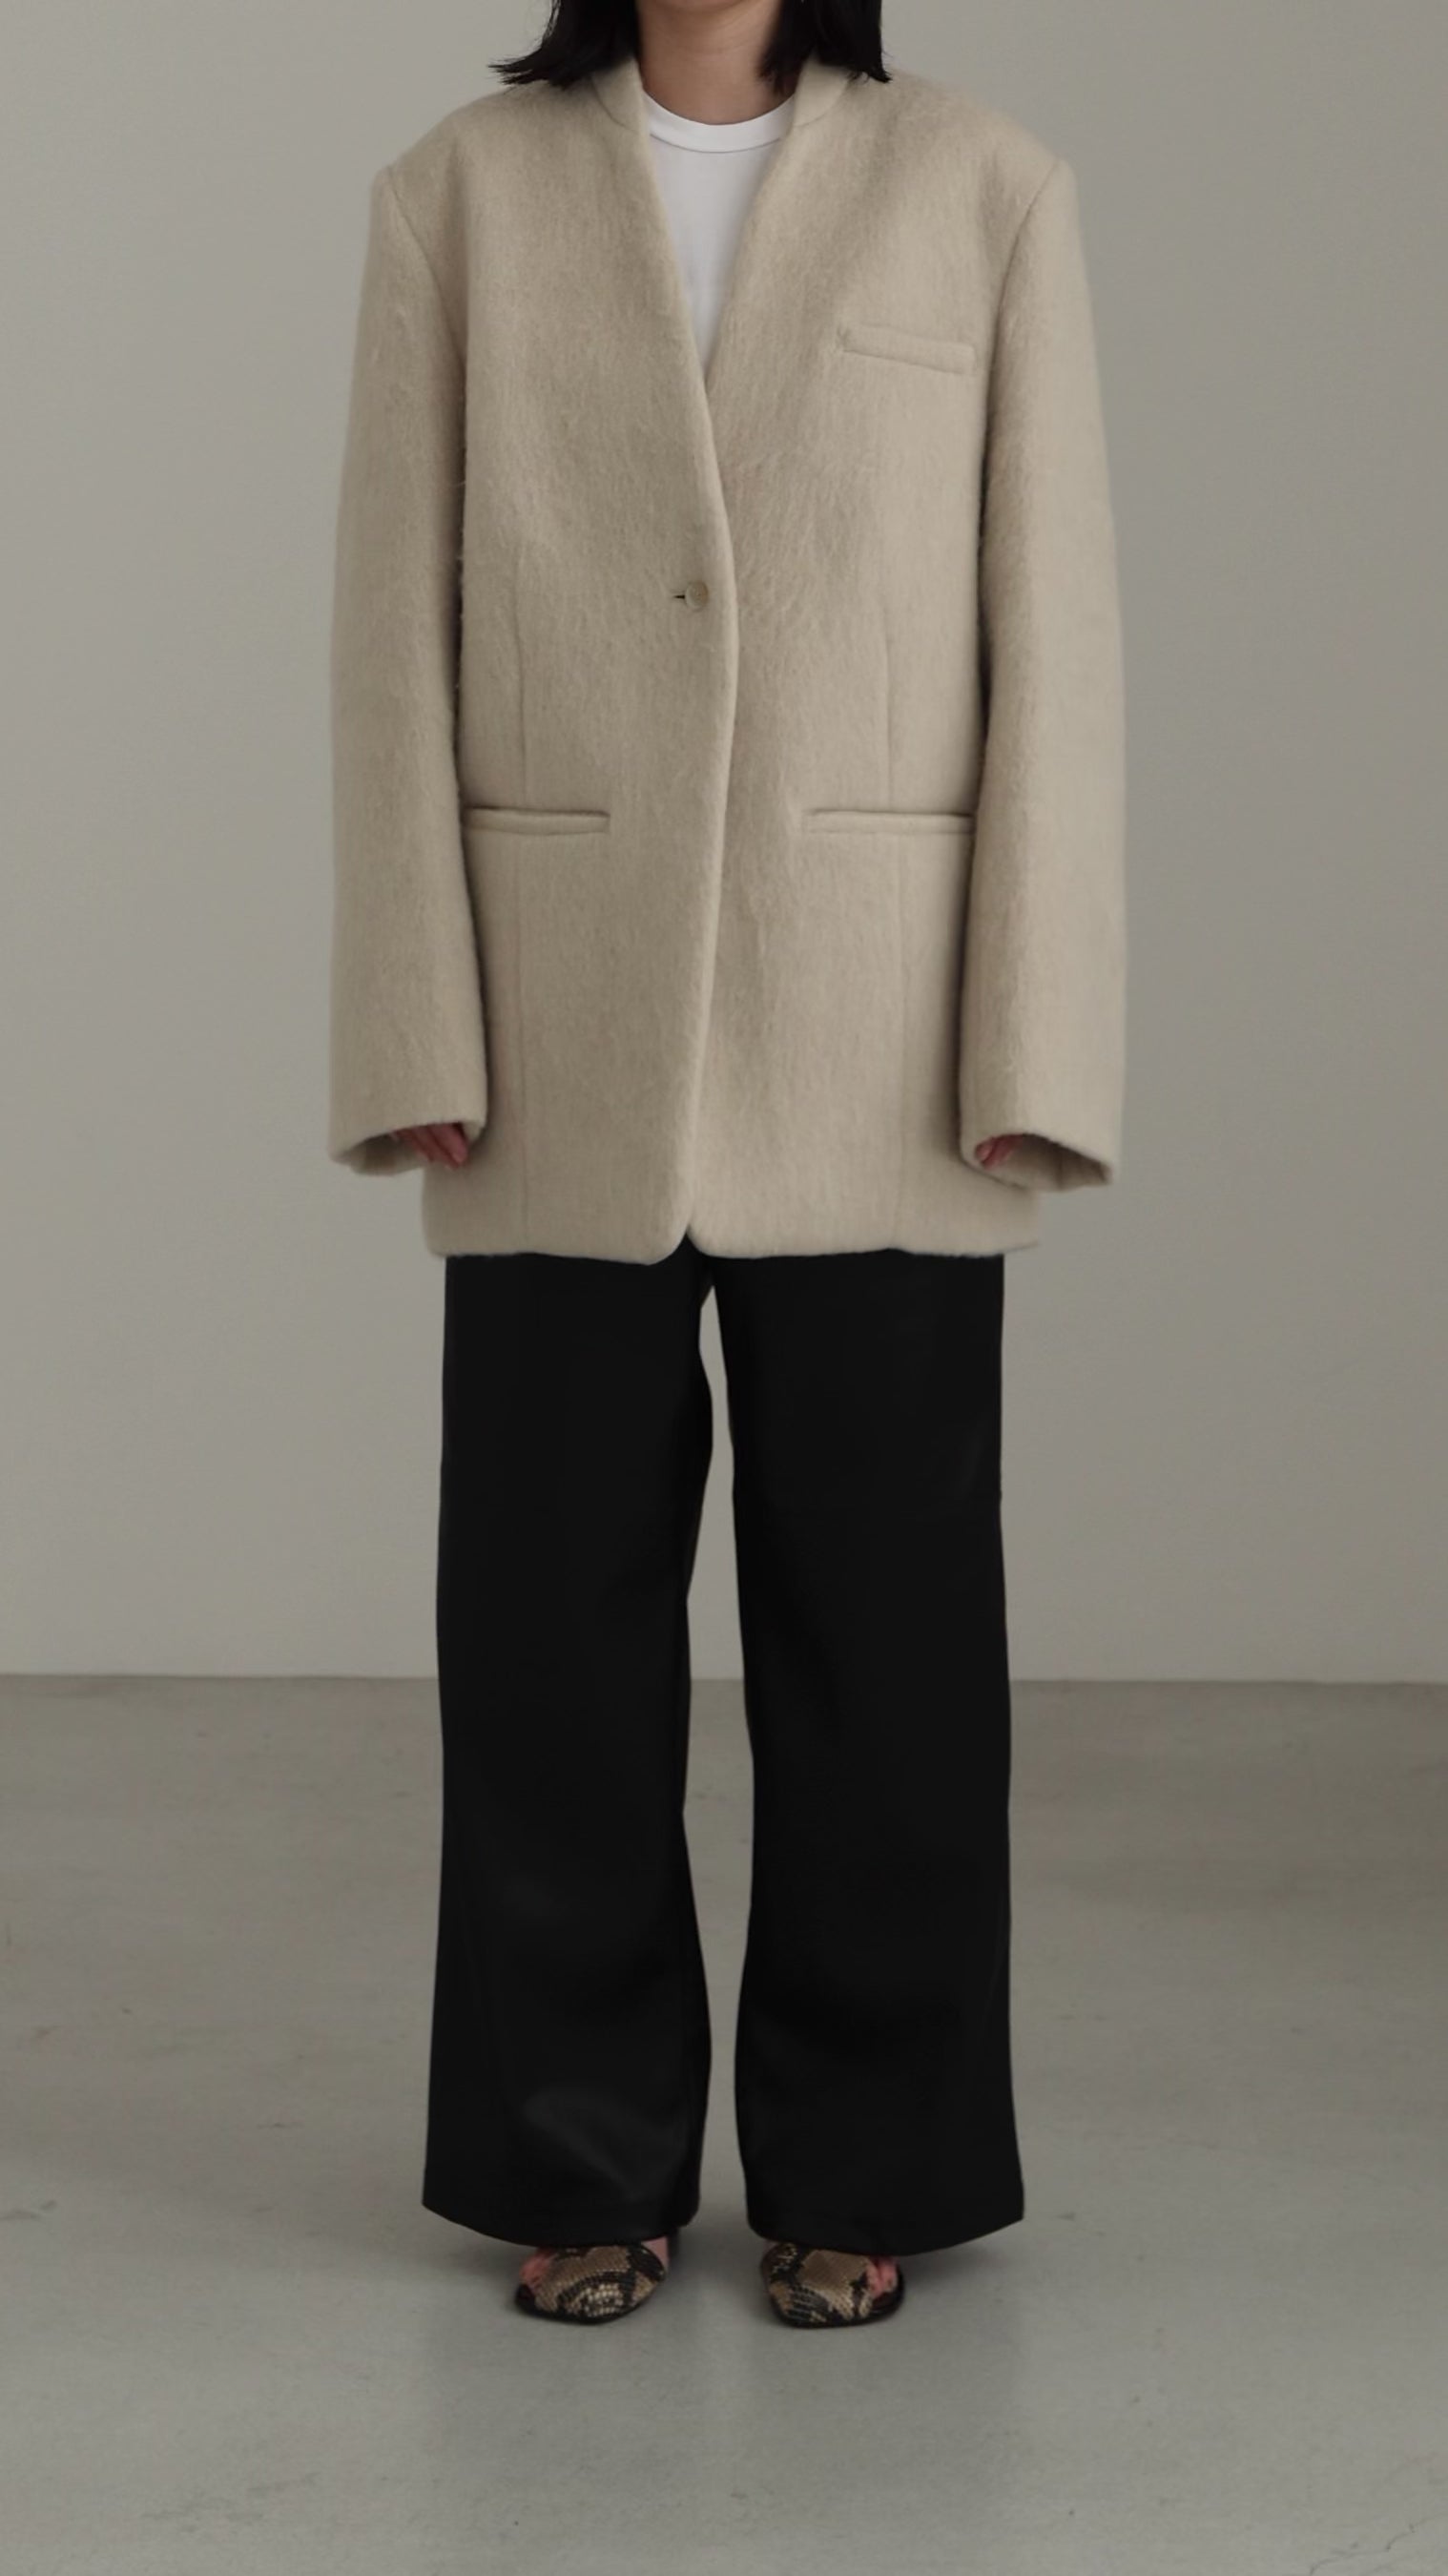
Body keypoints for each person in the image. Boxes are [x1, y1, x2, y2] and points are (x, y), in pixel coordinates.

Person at [326, 0, 1125, 2329]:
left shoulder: (983, 187)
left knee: (890, 1640)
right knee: (547, 1635)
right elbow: (387, 633)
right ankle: (575, 2156)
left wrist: (1036, 1033)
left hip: (880, 1020)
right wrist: (415, 1012)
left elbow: (1056, 636)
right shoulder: (458, 198)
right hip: (554, 1020)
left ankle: (864, 2161)